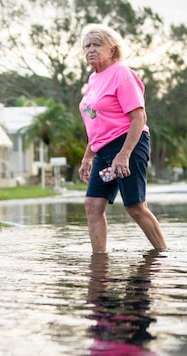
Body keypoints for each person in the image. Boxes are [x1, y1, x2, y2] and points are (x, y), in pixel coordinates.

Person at [77, 23, 167, 253]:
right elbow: (97, 124)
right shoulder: (93, 80)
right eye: (87, 46)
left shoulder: (121, 73)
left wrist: (123, 155)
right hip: (103, 149)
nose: (91, 50)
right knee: (93, 205)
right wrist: (88, 157)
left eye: (97, 44)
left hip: (128, 144)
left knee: (135, 206)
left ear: (112, 50)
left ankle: (164, 255)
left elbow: (139, 117)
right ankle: (99, 262)